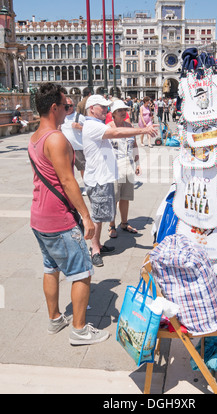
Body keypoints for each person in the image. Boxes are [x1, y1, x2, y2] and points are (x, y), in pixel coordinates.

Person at [28, 82, 109, 346]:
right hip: (58, 219)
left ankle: (55, 319)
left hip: (38, 217)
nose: (69, 110)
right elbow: (67, 180)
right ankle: (79, 329)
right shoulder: (56, 139)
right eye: (66, 106)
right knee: (83, 272)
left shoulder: (35, 137)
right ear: (54, 108)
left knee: (50, 268)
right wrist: (86, 216)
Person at [82, 95, 158, 267]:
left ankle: (99, 244)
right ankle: (95, 250)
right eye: (102, 107)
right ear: (92, 108)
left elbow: (130, 143)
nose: (105, 110)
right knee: (97, 216)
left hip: (105, 175)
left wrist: (136, 161)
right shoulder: (93, 125)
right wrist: (143, 130)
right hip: (98, 179)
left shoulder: (96, 124)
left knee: (101, 214)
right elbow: (116, 133)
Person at [107, 99, 141, 238]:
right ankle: (111, 225)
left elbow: (134, 145)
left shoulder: (129, 126)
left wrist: (138, 163)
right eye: (119, 110)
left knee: (125, 197)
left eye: (124, 110)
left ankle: (124, 223)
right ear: (113, 114)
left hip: (128, 165)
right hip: (113, 167)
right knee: (113, 197)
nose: (123, 112)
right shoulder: (108, 128)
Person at [61, 97, 87, 195]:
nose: (69, 108)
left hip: (78, 148)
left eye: (70, 105)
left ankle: (86, 187)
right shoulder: (61, 117)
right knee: (67, 170)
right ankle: (70, 188)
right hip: (65, 149)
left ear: (74, 106)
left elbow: (89, 130)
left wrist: (80, 127)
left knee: (83, 169)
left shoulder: (80, 117)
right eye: (66, 106)